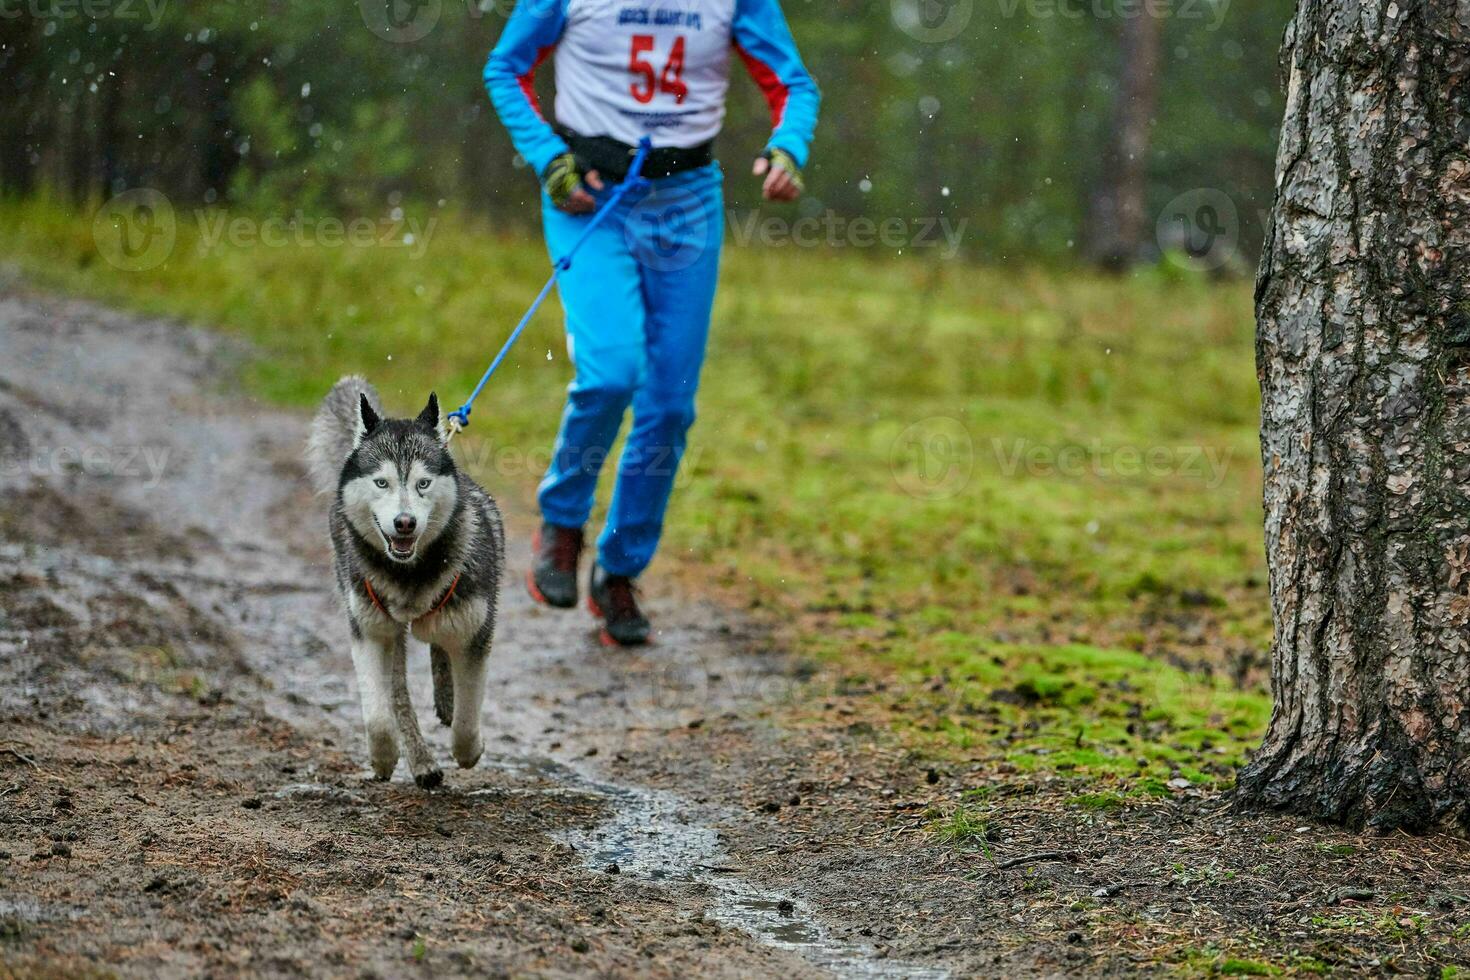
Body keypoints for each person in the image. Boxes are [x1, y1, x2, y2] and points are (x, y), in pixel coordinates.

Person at [484, 0, 819, 646]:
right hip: (587, 194)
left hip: (688, 204)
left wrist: (789, 146)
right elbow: (506, 68)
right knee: (611, 372)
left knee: (668, 407)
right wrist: (548, 158)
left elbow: (794, 84)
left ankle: (618, 570)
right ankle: (561, 519)